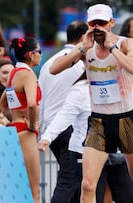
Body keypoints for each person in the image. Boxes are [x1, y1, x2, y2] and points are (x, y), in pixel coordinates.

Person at [50, 4, 133, 203]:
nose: (98, 28)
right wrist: (82, 48)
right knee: (88, 185)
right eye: (94, 24)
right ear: (88, 25)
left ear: (111, 23)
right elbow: (54, 69)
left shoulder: (125, 44)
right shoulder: (87, 49)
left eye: (102, 23)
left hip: (125, 121)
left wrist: (112, 47)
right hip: (99, 123)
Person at [38, 20, 87, 203]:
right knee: (70, 178)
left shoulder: (48, 63)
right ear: (84, 38)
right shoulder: (82, 63)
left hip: (52, 128)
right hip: (69, 127)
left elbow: (41, 100)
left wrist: (44, 129)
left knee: (74, 179)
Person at [0, 37, 42, 203]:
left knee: (20, 191)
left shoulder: (14, 74)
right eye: (39, 52)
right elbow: (31, 103)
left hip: (16, 130)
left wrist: (15, 120)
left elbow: (2, 105)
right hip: (26, 133)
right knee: (34, 192)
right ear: (31, 55)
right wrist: (31, 124)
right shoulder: (27, 76)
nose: (41, 56)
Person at [38, 71, 90, 203]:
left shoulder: (47, 67)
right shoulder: (80, 88)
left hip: (105, 147)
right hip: (75, 142)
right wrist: (47, 136)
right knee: (70, 181)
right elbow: (64, 114)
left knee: (78, 186)